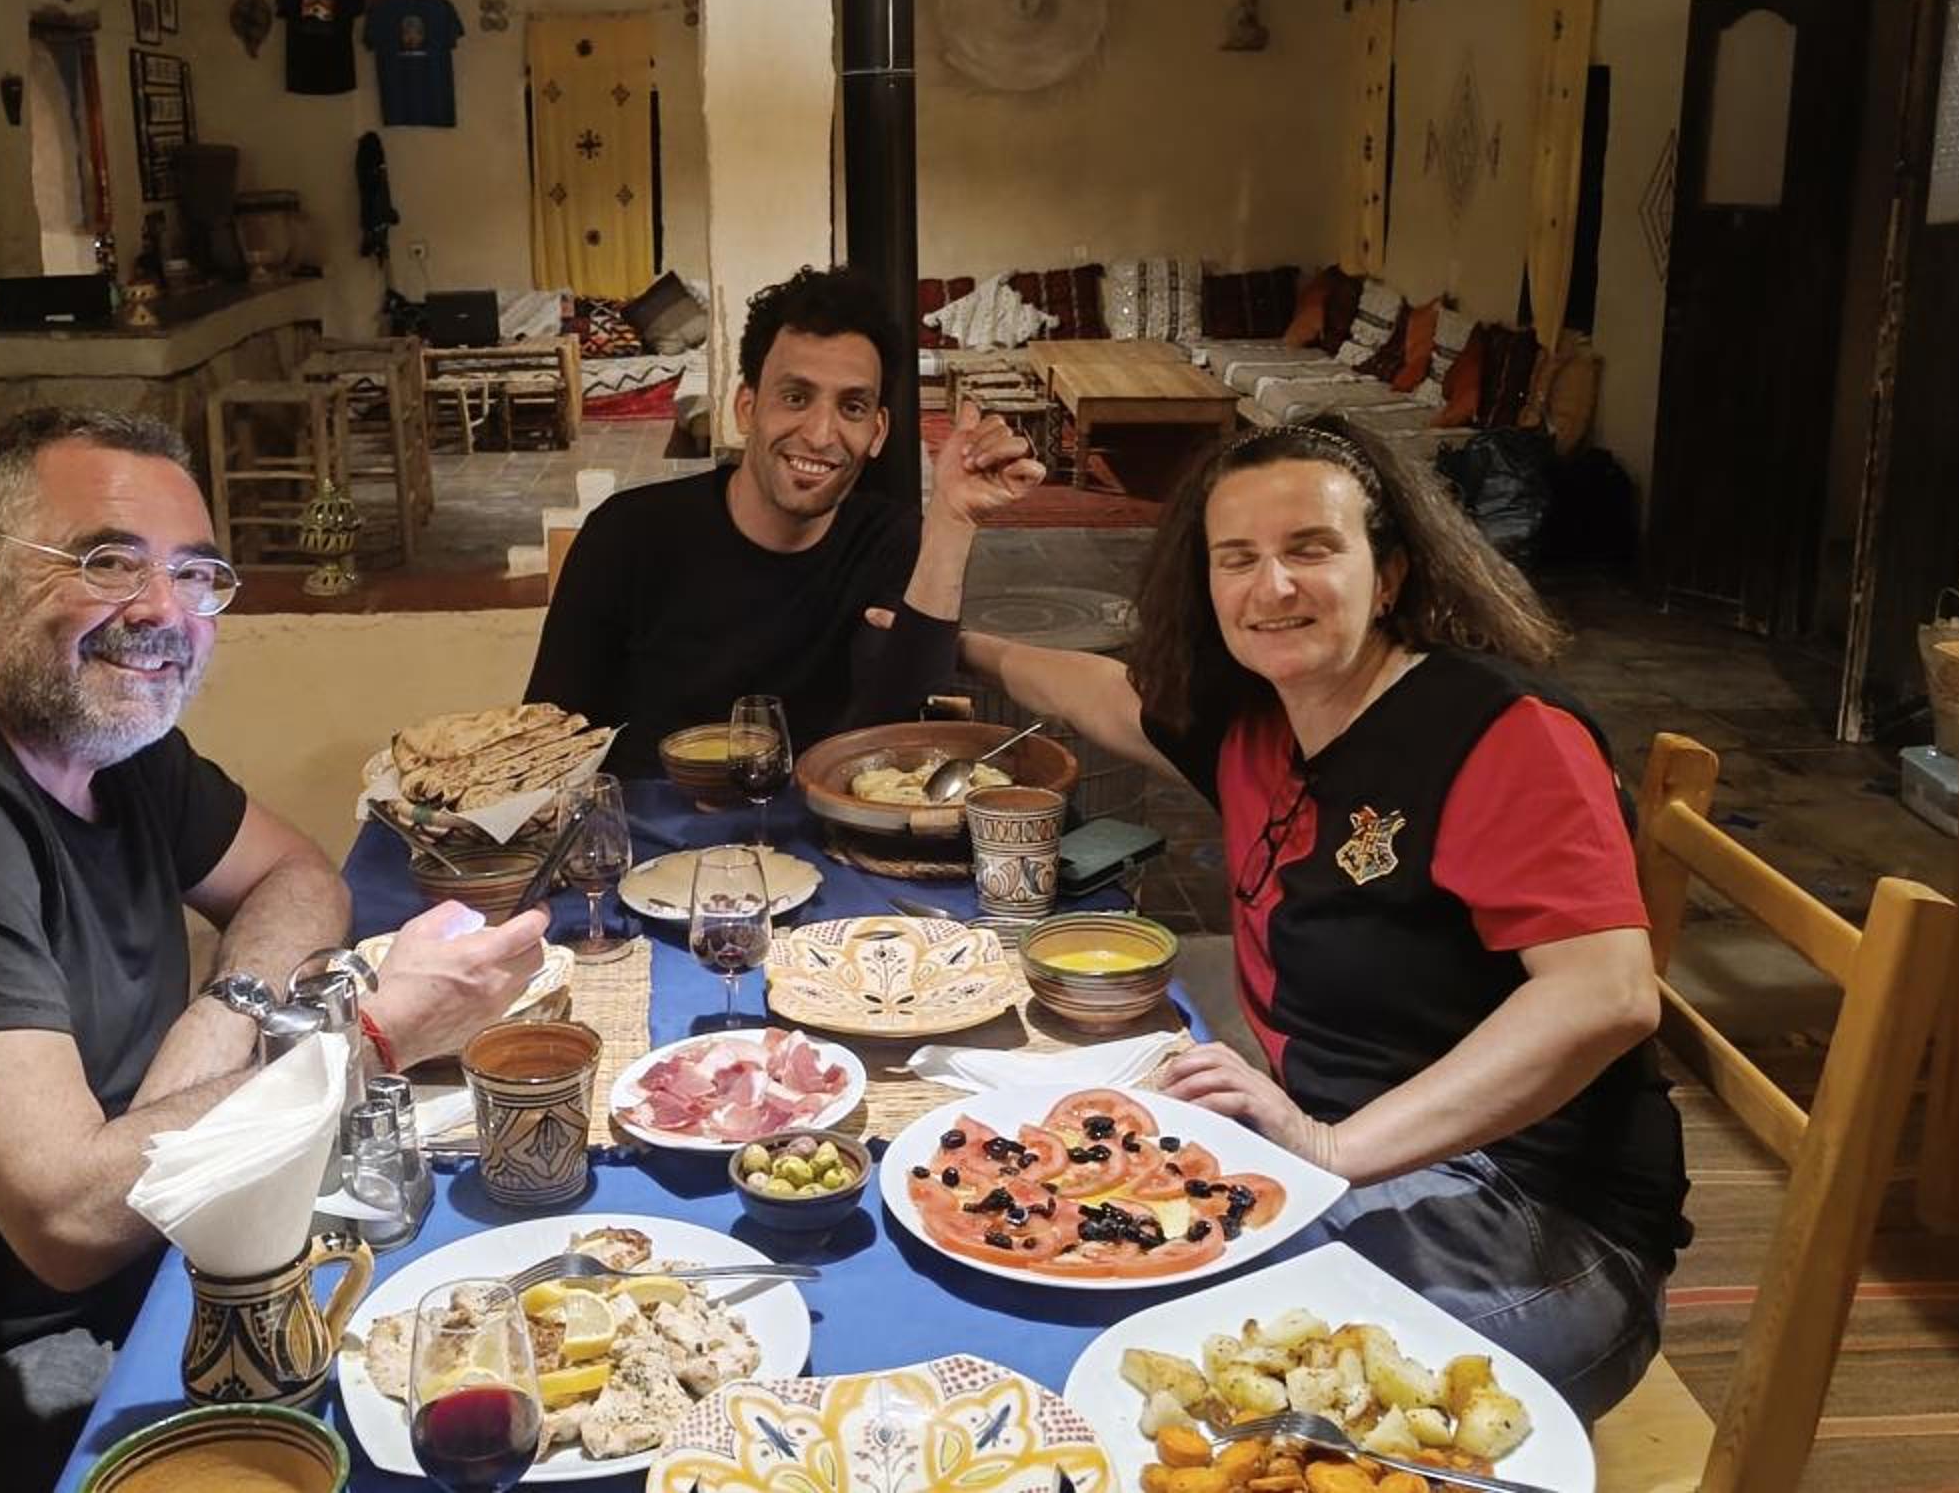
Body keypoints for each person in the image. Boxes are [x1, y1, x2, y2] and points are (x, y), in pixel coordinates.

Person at [0, 407, 549, 1490]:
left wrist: (226, 1013)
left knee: (478, 1308)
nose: (163, 611)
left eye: (196, 575)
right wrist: (371, 1037)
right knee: (408, 1410)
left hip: (96, 1270)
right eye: (108, 562)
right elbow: (68, 1218)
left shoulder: (104, 736)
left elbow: (298, 875)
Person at [958, 412, 1684, 1421]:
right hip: (1343, 1160)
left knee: (1190, 1384)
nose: (1273, 587)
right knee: (1077, 1250)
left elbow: (1607, 995)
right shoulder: (1260, 720)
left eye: (1311, 549)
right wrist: (968, 649)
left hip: (1535, 1213)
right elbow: (1109, 695)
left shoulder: (1500, 733)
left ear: (1389, 575)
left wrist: (1334, 1150)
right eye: (1237, 558)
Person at [525, 264, 1043, 774]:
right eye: (795, 398)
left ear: (878, 431)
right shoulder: (627, 534)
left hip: (827, 820)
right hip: (649, 824)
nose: (820, 434)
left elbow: (902, 738)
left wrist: (953, 520)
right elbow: (548, 745)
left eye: (852, 407)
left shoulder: (891, 540)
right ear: (746, 408)